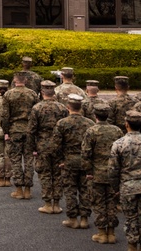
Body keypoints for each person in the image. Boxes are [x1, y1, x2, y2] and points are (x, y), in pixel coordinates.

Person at [108, 110, 141, 250]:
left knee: (130, 219)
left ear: (126, 124)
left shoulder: (119, 143)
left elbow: (113, 169)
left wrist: (115, 188)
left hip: (127, 186)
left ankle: (132, 247)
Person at [48, 93, 93, 229]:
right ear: (81, 107)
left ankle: (72, 218)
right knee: (85, 189)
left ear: (68, 107)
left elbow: (55, 146)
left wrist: (60, 160)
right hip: (85, 162)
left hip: (68, 161)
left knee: (70, 190)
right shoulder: (89, 123)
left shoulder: (62, 123)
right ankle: (84, 218)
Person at [81, 103, 124, 244]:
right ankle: (111, 233)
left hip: (96, 173)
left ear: (95, 115)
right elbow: (122, 152)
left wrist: (88, 171)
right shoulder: (117, 131)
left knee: (98, 203)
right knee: (112, 203)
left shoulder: (91, 131)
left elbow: (86, 154)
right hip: (113, 173)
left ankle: (101, 233)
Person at [29, 80, 68, 214]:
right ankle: (56, 203)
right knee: (57, 174)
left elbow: (31, 130)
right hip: (58, 145)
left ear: (41, 92)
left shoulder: (36, 108)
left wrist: (32, 147)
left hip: (42, 145)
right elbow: (65, 129)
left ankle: (47, 203)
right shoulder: (62, 108)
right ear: (54, 93)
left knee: (45, 174)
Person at [0, 72, 40, 200]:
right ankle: (28, 190)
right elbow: (36, 115)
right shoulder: (32, 94)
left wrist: (5, 131)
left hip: (14, 130)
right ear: (26, 81)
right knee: (29, 160)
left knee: (16, 160)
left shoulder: (8, 94)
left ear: (14, 81)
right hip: (29, 131)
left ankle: (18, 189)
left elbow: (5, 115)